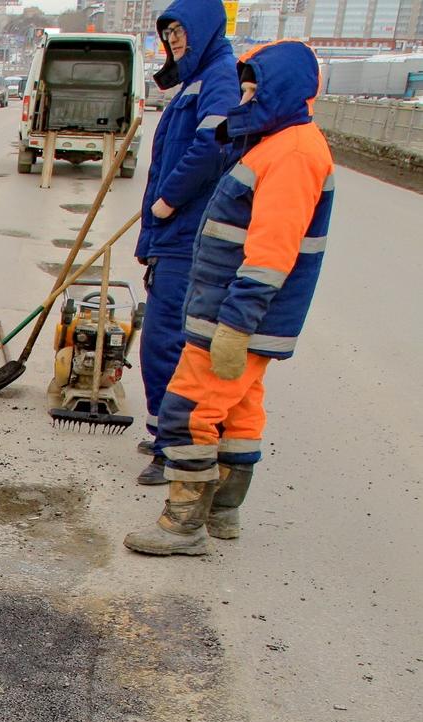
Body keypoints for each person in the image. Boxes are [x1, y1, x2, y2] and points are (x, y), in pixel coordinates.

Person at [124, 40, 335, 556]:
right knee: (239, 412)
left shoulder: (291, 154)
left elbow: (271, 253)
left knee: (188, 409)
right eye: (243, 85)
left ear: (281, 89)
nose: (245, 95)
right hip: (235, 313)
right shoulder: (276, 144)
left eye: (254, 86)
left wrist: (236, 326)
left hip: (235, 317)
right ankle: (224, 513)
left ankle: (183, 525)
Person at [134, 0, 239, 486]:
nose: (174, 41)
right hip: (173, 235)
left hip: (187, 236)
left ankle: (175, 449)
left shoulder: (219, 76)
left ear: (203, 31)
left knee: (167, 342)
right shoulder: (195, 80)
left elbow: (213, 145)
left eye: (181, 33)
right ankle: (163, 435)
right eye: (168, 34)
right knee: (163, 340)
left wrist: (166, 202)